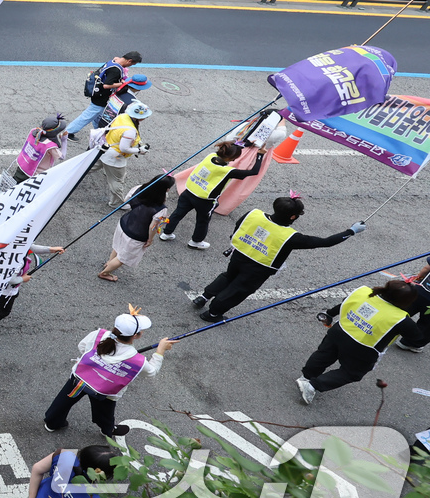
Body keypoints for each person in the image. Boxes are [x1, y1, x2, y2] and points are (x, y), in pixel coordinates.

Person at [194, 196, 363, 321]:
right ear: (292, 217)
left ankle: (204, 296)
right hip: (258, 268)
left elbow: (239, 225)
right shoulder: (291, 236)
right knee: (238, 289)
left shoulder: (254, 214)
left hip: (239, 254)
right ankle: (213, 313)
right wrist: (351, 231)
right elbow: (325, 242)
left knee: (228, 276)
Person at [43, 310, 176, 437]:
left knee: (65, 400)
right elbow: (151, 372)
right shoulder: (137, 360)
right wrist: (160, 350)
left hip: (80, 378)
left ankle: (52, 422)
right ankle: (107, 430)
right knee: (104, 414)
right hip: (105, 392)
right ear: (136, 336)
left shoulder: (99, 334)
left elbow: (82, 347)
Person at [298, 281, 419, 404]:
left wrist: (330, 313)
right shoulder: (401, 319)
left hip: (339, 331)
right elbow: (417, 337)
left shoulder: (364, 292)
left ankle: (306, 377)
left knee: (324, 354)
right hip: (363, 348)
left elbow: (344, 303)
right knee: (351, 373)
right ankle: (313, 385)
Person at [160, 143, 267, 249]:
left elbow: (230, 146)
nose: (233, 161)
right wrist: (260, 155)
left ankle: (166, 233)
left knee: (177, 213)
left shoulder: (210, 156)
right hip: (205, 200)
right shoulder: (228, 171)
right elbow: (254, 171)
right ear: (230, 157)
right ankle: (196, 241)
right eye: (234, 158)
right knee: (203, 221)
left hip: (189, 192)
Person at [0, 243, 64, 340]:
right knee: (2, 311)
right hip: (6, 290)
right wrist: (23, 279)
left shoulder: (15, 244)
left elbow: (30, 246)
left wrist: (50, 249)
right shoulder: (18, 261)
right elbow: (10, 279)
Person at [98, 175, 173, 282]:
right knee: (123, 258)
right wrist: (150, 240)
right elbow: (153, 226)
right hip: (136, 235)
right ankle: (104, 273)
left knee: (118, 247)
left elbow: (126, 200)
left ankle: (109, 263)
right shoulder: (161, 209)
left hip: (124, 224)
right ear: (167, 189)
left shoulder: (138, 188)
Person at [65, 51, 142, 141]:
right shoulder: (115, 70)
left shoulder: (114, 61)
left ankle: (99, 132)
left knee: (99, 115)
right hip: (102, 97)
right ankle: (68, 132)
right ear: (129, 61)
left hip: (97, 93)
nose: (131, 66)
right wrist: (121, 83)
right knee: (88, 116)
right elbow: (106, 85)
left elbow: (115, 57)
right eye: (132, 64)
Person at [99, 102, 150, 207]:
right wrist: (139, 150)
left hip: (104, 148)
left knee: (88, 168)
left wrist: (138, 142)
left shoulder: (123, 117)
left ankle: (71, 178)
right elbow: (124, 148)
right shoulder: (130, 131)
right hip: (115, 156)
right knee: (117, 180)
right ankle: (116, 203)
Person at [12, 115, 66, 183]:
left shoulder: (34, 131)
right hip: (35, 174)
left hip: (23, 166)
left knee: (13, 185)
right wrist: (64, 141)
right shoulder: (49, 146)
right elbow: (62, 157)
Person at [394, 258, 430, 352]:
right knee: (427, 325)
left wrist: (418, 278)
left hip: (421, 290)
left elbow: (426, 268)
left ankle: (387, 328)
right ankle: (412, 343)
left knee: (404, 309)